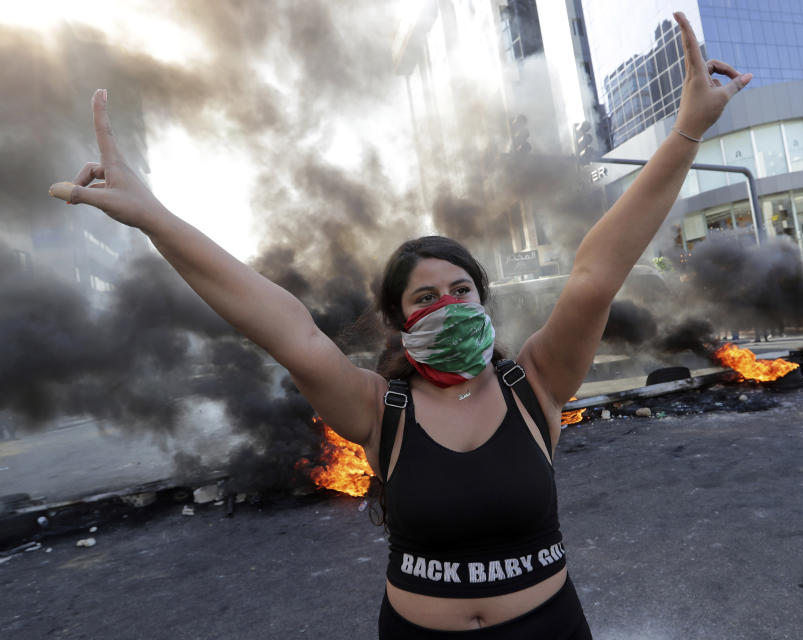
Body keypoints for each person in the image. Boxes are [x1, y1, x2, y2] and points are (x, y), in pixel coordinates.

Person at [48, 11, 750, 638]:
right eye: (423, 299)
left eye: (461, 289)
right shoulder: (379, 410)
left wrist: (686, 131)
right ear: (396, 320)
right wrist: (152, 218)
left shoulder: (537, 383)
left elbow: (596, 274)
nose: (446, 306)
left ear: (483, 300)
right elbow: (281, 323)